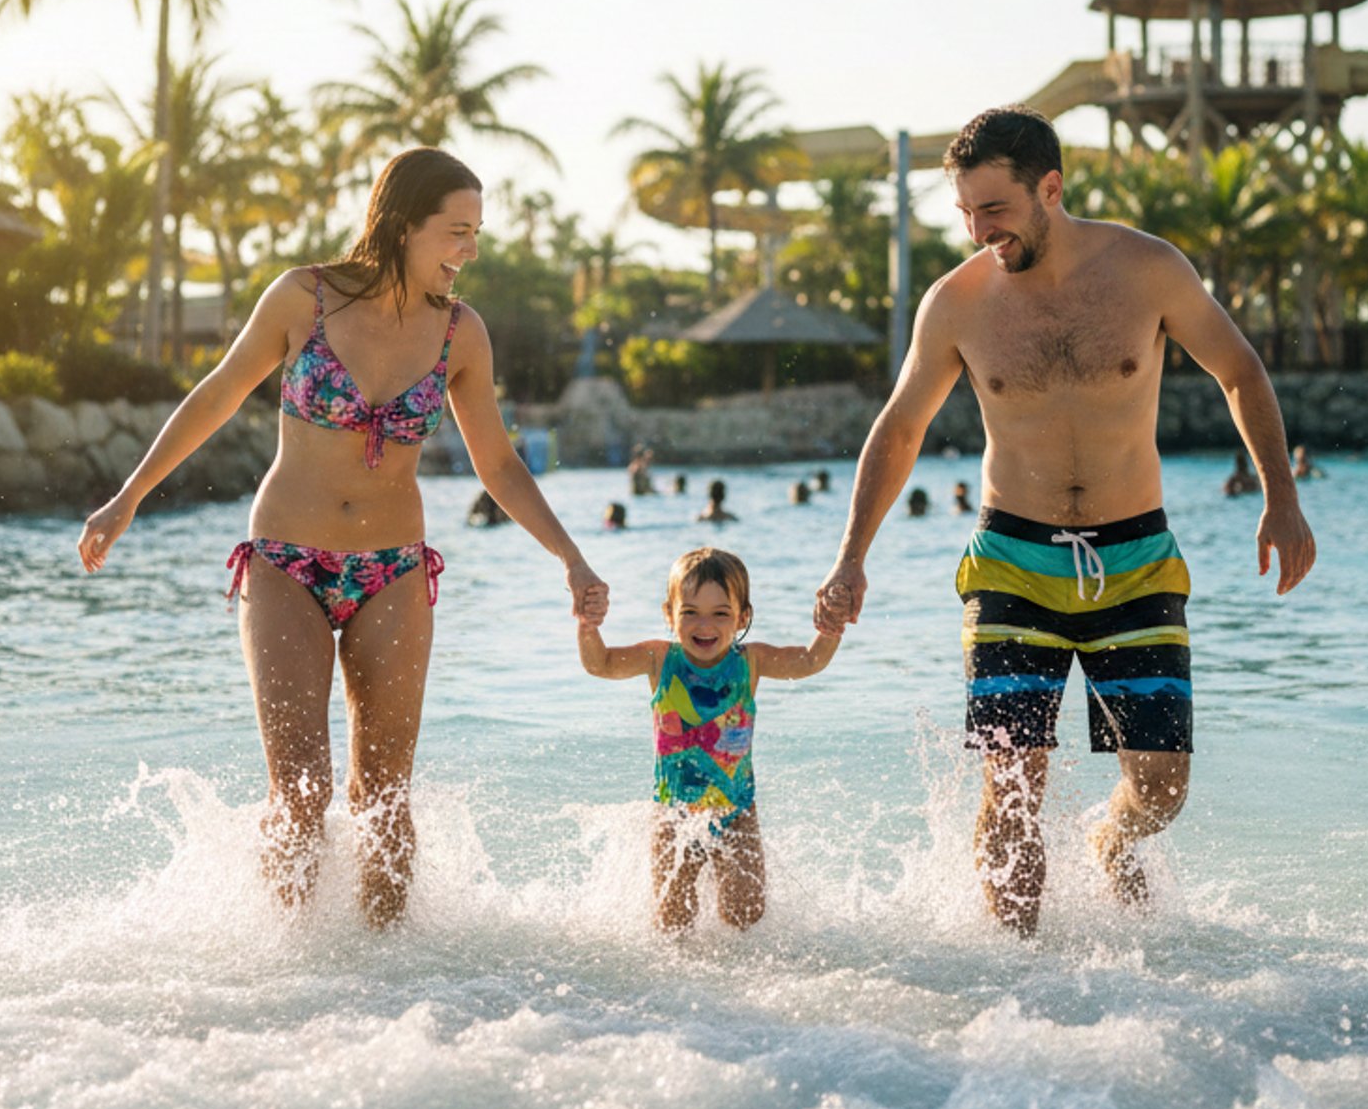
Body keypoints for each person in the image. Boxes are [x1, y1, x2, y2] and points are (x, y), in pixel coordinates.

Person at [814, 104, 1314, 936]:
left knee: (1160, 787)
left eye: (995, 211)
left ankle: (1109, 839)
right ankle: (1021, 982)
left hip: (1137, 558)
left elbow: (1240, 370)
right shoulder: (956, 303)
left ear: (1050, 188)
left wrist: (1282, 498)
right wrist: (851, 556)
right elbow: (900, 428)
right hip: (1013, 561)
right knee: (1011, 787)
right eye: (965, 214)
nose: (979, 232)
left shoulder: (1148, 270)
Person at [78, 148, 608, 926]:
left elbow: (496, 461)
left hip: (392, 570)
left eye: (476, 235)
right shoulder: (304, 299)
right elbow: (219, 393)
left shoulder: (460, 334)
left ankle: (385, 976)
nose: (470, 251)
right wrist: (128, 499)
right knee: (299, 791)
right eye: (456, 232)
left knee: (384, 795)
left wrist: (571, 555)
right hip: (285, 562)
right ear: (403, 225)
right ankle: (296, 969)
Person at [578, 547, 841, 931]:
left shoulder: (750, 662)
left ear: (742, 617)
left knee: (746, 916)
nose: (705, 625)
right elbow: (598, 664)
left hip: (737, 812)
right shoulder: (659, 659)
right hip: (673, 812)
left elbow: (809, 661)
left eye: (720, 613)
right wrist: (587, 626)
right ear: (669, 613)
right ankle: (679, 989)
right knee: (673, 923)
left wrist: (831, 627)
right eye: (690, 612)